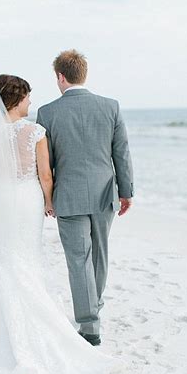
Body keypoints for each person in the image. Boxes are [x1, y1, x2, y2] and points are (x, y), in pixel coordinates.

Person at [0, 74, 122, 374]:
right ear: (17, 98)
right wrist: (50, 203)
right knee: (23, 259)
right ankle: (31, 329)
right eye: (27, 97)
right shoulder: (35, 131)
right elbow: (45, 176)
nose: (30, 103)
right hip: (26, 201)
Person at [36, 49, 134, 346]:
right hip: (106, 193)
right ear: (84, 75)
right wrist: (126, 192)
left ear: (60, 77)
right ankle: (93, 310)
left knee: (79, 259)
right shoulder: (111, 107)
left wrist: (47, 198)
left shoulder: (47, 112)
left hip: (68, 195)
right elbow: (122, 153)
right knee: (100, 255)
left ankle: (90, 324)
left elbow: (46, 164)